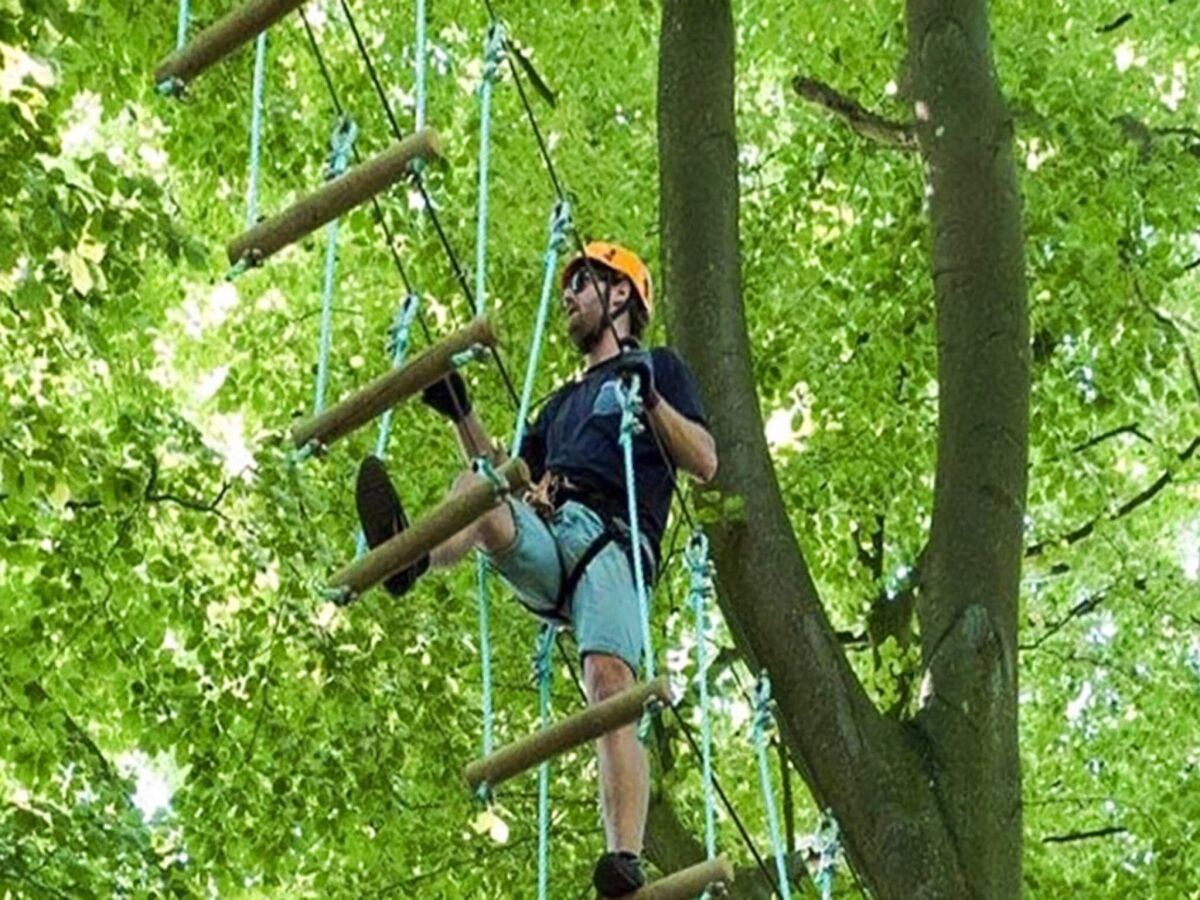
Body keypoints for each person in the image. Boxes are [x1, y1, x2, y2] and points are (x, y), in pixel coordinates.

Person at [354, 241, 718, 896]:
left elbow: (706, 461)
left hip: (615, 541)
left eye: (583, 281)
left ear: (621, 297)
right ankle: (411, 559)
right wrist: (462, 412)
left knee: (610, 685)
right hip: (553, 531)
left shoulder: (657, 367)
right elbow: (509, 479)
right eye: (569, 282)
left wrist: (653, 400)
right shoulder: (556, 406)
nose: (569, 294)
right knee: (478, 482)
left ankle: (624, 858)